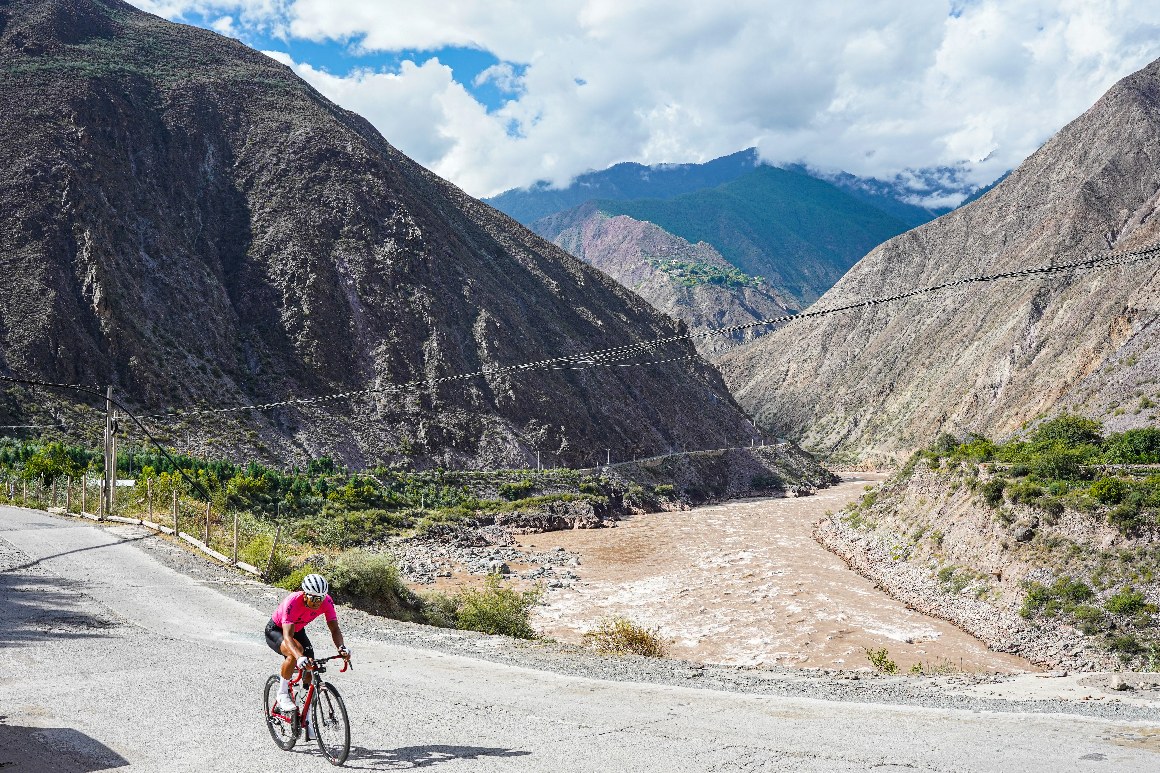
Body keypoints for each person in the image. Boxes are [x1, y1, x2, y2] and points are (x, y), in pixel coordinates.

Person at [265, 573, 350, 738]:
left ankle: (307, 716)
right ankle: (282, 693)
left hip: (298, 630)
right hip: (277, 631)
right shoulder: (292, 601)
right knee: (294, 654)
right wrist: (299, 657)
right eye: (313, 599)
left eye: (321, 599)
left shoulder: (327, 602)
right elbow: (288, 637)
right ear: (304, 594)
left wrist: (342, 648)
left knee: (311, 668)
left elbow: (334, 629)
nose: (317, 603)